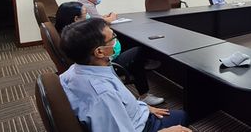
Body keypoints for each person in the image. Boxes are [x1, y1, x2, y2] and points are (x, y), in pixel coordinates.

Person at [59, 18, 190, 132]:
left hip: (133, 114)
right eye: (113, 37)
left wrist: (143, 107)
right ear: (99, 52)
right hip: (140, 127)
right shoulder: (103, 95)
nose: (116, 40)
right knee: (182, 116)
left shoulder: (74, 70)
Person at [55, 2, 165, 106]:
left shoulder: (68, 34)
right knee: (137, 52)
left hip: (95, 61)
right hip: (103, 63)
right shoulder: (78, 38)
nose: (88, 15)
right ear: (76, 19)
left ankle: (143, 63)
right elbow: (97, 55)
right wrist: (112, 45)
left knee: (128, 43)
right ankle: (144, 95)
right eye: (85, 13)